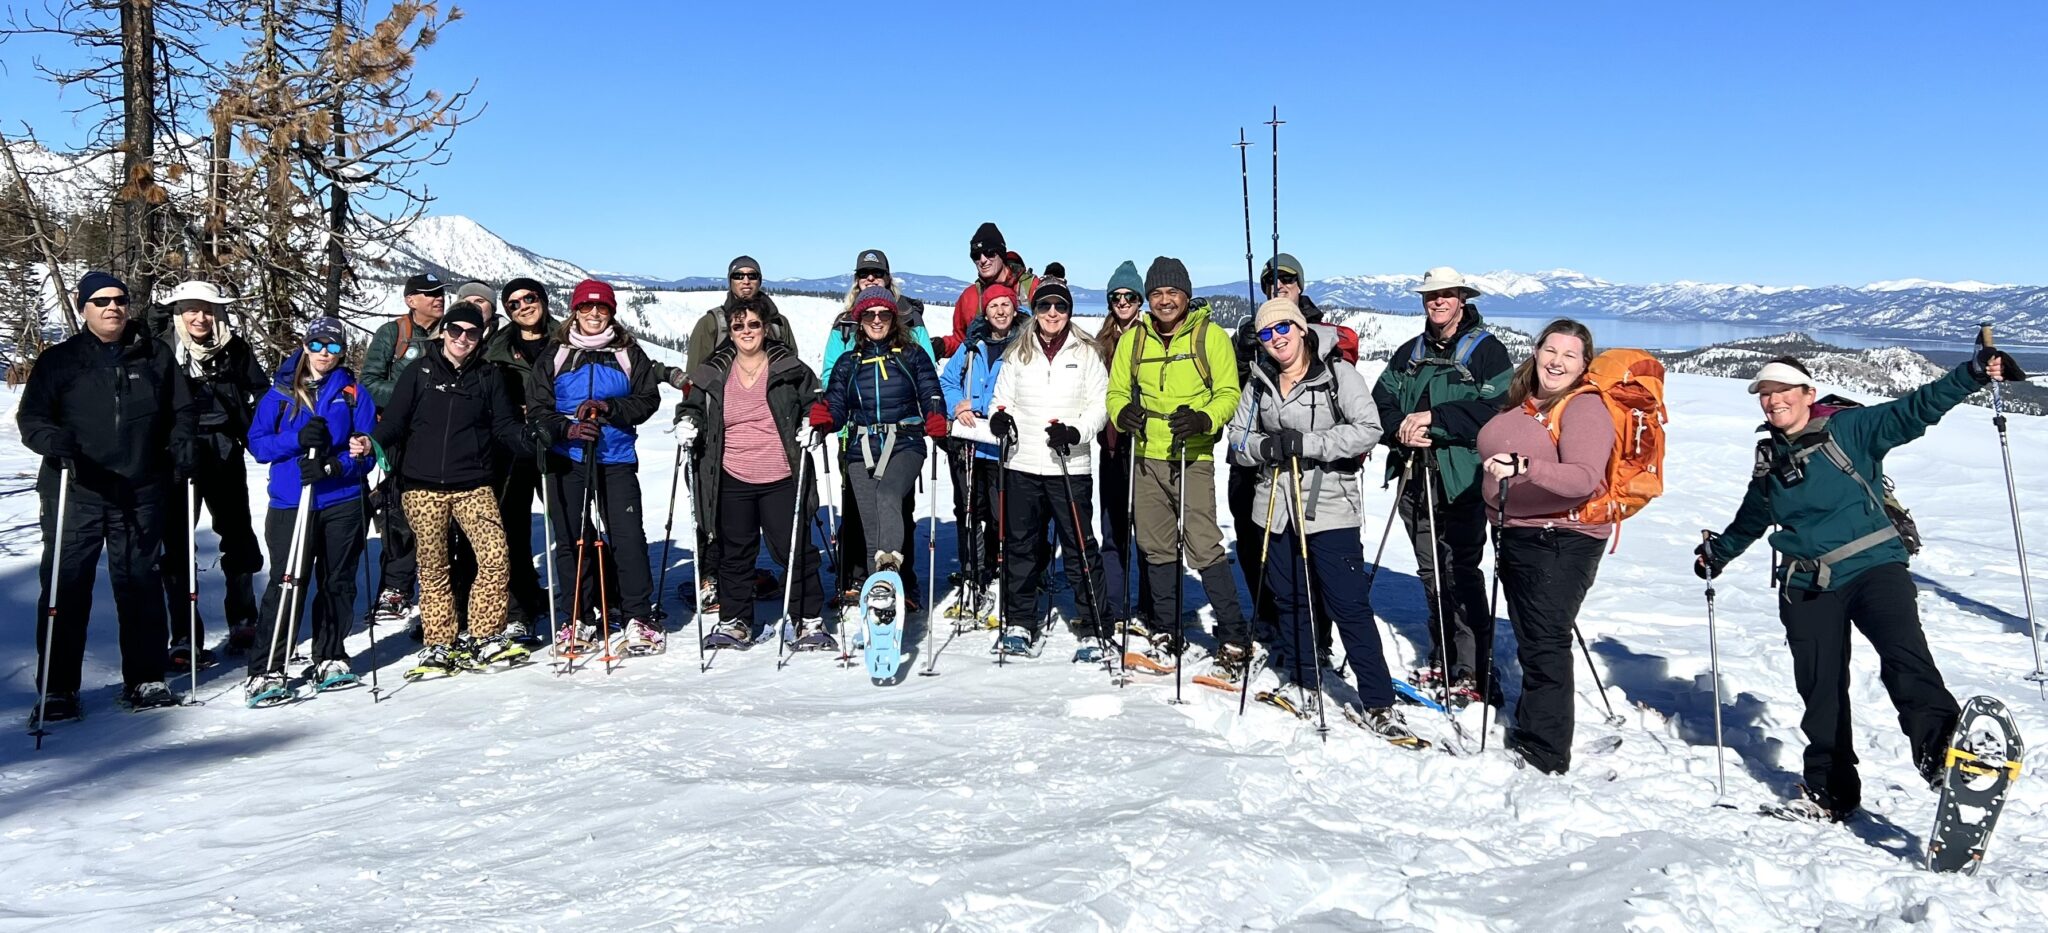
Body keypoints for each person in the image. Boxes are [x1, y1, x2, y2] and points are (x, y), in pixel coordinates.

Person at [1697, 349, 2016, 821]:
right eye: (1765, 394)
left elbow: (1915, 409)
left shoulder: (1851, 428)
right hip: (1806, 582)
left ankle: (1943, 754)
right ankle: (1831, 790)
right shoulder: (1771, 458)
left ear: (1808, 393)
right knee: (1820, 690)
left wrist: (1970, 374)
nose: (1773, 400)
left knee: (1903, 654)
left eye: (1783, 390)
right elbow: (1753, 516)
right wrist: (1717, 554)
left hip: (1873, 567)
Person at [1227, 299, 1412, 740]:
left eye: (1284, 329)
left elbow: (1368, 428)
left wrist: (1307, 444)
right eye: (1267, 334)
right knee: (1289, 599)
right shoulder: (1259, 381)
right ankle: (1305, 680)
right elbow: (1237, 438)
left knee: (1348, 605)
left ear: (1300, 328)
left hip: (1328, 506)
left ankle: (1379, 702)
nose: (1277, 340)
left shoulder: (1335, 375)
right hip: (1274, 507)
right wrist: (1264, 449)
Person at [19, 271, 197, 718]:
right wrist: (50, 440)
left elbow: (182, 411)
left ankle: (145, 678)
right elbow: (33, 417)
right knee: (66, 587)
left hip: (140, 489)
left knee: (138, 584)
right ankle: (58, 688)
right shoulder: (60, 360)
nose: (112, 307)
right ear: (84, 309)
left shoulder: (154, 355)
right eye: (101, 301)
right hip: (76, 488)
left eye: (119, 299)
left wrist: (182, 444)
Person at [1474, 319, 1613, 773]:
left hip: (1561, 538)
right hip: (1521, 532)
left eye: (1569, 355)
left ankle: (1546, 750)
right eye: (1551, 350)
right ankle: (1536, 727)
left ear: (1584, 365)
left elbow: (1583, 478)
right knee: (1534, 637)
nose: (1557, 361)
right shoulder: (1529, 401)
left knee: (1545, 642)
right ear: (1536, 352)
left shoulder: (1584, 407)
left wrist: (1525, 468)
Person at [1372, 266, 1514, 707]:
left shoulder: (1487, 351)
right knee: (1431, 570)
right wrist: (1400, 430)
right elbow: (1381, 400)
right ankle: (1444, 653)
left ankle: (1473, 666)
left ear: (1462, 299)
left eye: (1447, 295)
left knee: (1462, 571)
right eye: (1432, 295)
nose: (1438, 302)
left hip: (1464, 478)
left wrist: (1436, 421)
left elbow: (1498, 409)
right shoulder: (1410, 351)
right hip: (1415, 473)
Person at [370, 302, 532, 678]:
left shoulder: (489, 377)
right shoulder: (419, 371)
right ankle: (439, 643)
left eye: (471, 333)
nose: (463, 338)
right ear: (443, 331)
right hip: (422, 488)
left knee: (495, 557)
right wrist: (370, 442)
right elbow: (394, 421)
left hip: (474, 484)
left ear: (480, 337)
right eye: (456, 330)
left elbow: (505, 426)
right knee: (433, 568)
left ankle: (485, 635)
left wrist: (530, 439)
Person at [1104, 257, 1245, 661]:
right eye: (1157, 294)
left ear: (1186, 294)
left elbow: (1228, 393)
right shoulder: (1135, 339)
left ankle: (1233, 634)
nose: (1164, 301)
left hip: (1192, 455)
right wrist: (1121, 414)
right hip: (1146, 455)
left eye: (1172, 292)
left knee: (1203, 545)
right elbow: (1116, 392)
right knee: (1156, 547)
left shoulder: (1210, 336)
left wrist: (1205, 419)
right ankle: (1166, 628)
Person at [677, 298, 828, 648]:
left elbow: (815, 401)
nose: (746, 331)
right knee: (734, 552)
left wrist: (814, 425)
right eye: (739, 326)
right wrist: (688, 422)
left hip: (780, 474)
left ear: (766, 327)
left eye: (754, 325)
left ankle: (807, 618)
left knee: (793, 548)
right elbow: (692, 405)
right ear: (730, 331)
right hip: (731, 475)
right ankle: (735, 621)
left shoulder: (789, 367)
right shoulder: (714, 370)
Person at [242, 318, 378, 703]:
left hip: (341, 500)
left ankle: (330, 655)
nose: (324, 353)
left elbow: (368, 450)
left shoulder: (352, 393)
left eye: (333, 348)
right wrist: (296, 440)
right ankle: (268, 666)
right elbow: (259, 446)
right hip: (291, 501)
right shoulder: (281, 392)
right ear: (304, 345)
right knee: (288, 582)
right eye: (317, 344)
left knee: (338, 580)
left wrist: (339, 465)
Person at [530, 279, 664, 652]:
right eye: (586, 308)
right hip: (567, 458)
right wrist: (567, 428)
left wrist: (610, 409)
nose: (593, 314)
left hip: (616, 457)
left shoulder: (626, 351)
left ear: (611, 313)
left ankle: (637, 615)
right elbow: (538, 408)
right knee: (573, 538)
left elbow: (647, 398)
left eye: (601, 308)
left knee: (627, 537)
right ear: (574, 310)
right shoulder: (556, 353)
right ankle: (578, 617)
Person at [981, 277, 1111, 658]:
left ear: (1069, 311)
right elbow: (1000, 401)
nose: (1052, 313)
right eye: (1044, 306)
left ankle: (1093, 625)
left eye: (1060, 306)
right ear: (1034, 311)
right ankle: (1020, 622)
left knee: (1079, 548)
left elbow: (1099, 407)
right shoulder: (1019, 352)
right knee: (1021, 547)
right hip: (1023, 463)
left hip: (1069, 464)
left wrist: (1075, 432)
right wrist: (998, 420)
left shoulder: (1086, 352)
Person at [809, 286, 948, 613]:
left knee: (888, 496)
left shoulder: (912, 356)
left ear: (893, 318)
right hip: (860, 449)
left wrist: (935, 416)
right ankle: (882, 605)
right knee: (871, 531)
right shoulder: (847, 363)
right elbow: (838, 405)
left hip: (905, 444)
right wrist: (826, 417)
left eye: (883, 313)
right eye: (869, 314)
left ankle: (888, 575)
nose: (876, 320)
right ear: (859, 320)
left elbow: (931, 391)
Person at [156, 280, 269, 665]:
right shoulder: (161, 349)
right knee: (175, 545)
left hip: (223, 450)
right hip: (175, 456)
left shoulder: (234, 348)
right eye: (191, 309)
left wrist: (261, 434)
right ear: (178, 313)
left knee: (237, 536)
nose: (200, 317)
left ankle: (243, 618)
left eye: (208, 309)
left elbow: (261, 393)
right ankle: (185, 636)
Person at [1228, 254, 1334, 660]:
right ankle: (1267, 615)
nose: (1278, 285)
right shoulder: (1251, 332)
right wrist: (1244, 353)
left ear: (1300, 284)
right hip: (1253, 454)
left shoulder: (1318, 329)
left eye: (1287, 279)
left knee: (1305, 548)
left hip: (1302, 462)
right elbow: (1239, 389)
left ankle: (1314, 636)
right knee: (1253, 540)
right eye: (1270, 279)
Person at [359, 271, 446, 629]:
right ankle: (395, 588)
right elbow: (368, 382)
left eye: (440, 292)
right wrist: (408, 399)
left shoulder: (455, 331)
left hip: (444, 436)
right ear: (410, 300)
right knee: (399, 513)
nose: (437, 299)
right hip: (403, 437)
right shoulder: (394, 334)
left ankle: (439, 588)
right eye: (428, 294)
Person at [939, 281, 1025, 621]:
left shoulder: (1024, 347)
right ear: (985, 313)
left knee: (1001, 515)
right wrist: (957, 406)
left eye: (1006, 304)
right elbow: (947, 381)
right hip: (971, 446)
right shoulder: (971, 346)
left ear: (1014, 309)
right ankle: (972, 576)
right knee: (969, 513)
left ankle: (1000, 574)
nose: (1001, 311)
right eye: (994, 306)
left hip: (1005, 450)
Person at [481, 276, 560, 641]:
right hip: (512, 449)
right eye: (514, 303)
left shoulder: (567, 338)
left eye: (530, 298)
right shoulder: (496, 348)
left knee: (570, 523)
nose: (524, 306)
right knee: (512, 528)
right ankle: (521, 608)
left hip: (559, 444)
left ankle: (585, 599)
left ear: (543, 300)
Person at [1095, 261, 1150, 631]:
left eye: (1129, 296)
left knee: (1148, 531)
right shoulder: (1100, 344)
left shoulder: (1154, 338)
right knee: (1113, 528)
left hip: (1148, 448)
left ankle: (1150, 605)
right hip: (1112, 446)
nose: (1123, 302)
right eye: (1116, 297)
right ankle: (1115, 604)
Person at [683, 256, 800, 374]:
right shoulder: (711, 323)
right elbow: (694, 375)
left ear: (759, 281)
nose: (746, 281)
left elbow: (793, 367)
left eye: (752, 276)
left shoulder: (778, 322)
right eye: (738, 276)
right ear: (730, 281)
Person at [938, 222, 1037, 359]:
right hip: (983, 375)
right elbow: (962, 341)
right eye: (976, 255)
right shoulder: (970, 297)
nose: (983, 260)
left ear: (1001, 254)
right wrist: (941, 346)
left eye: (989, 253)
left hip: (1024, 370)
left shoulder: (1031, 288)